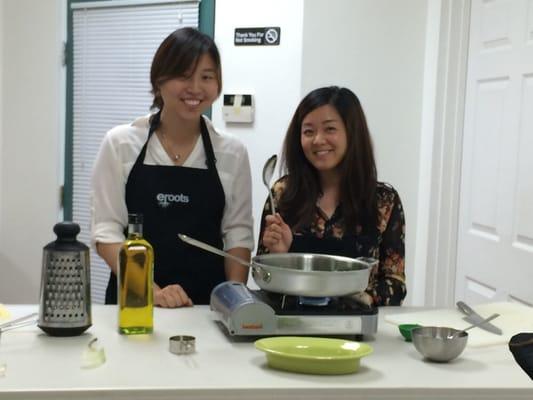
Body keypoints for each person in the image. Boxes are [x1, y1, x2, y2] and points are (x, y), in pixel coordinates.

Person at [91, 27, 254, 307]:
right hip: (135, 303)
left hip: (208, 310)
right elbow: (106, 231)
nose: (195, 88)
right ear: (159, 80)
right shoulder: (120, 144)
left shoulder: (232, 153)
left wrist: (234, 304)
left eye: (206, 77)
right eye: (183, 75)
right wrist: (150, 291)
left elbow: (237, 234)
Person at [258, 86, 406, 306]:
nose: (318, 140)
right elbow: (264, 277)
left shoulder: (384, 201)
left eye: (330, 129)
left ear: (352, 133)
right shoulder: (283, 193)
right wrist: (279, 255)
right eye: (308, 131)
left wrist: (353, 297)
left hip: (355, 327)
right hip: (292, 327)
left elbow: (395, 284)